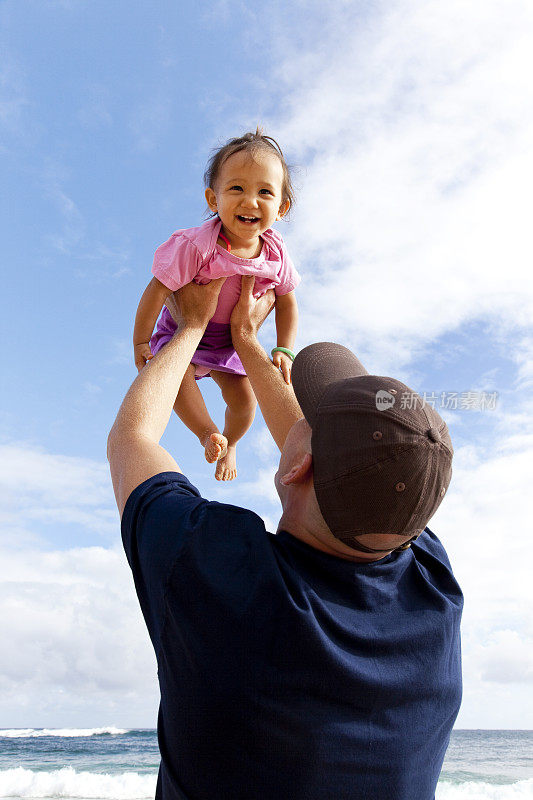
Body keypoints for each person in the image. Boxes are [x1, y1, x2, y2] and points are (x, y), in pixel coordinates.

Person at [108, 276, 463, 800]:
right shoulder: (434, 587)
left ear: (297, 463)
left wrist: (191, 329)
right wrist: (248, 343)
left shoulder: (217, 573)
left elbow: (132, 438)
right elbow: (337, 467)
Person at [132, 129, 300, 482]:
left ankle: (232, 441)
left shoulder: (276, 253)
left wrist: (284, 348)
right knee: (175, 380)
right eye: (236, 188)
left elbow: (286, 302)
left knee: (245, 403)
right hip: (182, 334)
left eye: (264, 192)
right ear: (213, 199)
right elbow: (158, 288)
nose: (250, 201)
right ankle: (207, 432)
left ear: (282, 208)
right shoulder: (197, 246)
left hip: (228, 346)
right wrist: (140, 340)